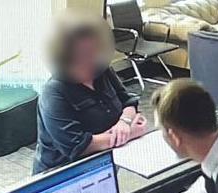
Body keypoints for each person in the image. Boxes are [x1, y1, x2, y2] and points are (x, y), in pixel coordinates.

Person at [34, 13, 147, 174]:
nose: (91, 60)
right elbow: (77, 146)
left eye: (94, 52)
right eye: (83, 55)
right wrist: (130, 132)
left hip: (105, 162)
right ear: (65, 57)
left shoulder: (102, 71)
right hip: (62, 175)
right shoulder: (53, 92)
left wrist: (124, 122)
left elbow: (128, 102)